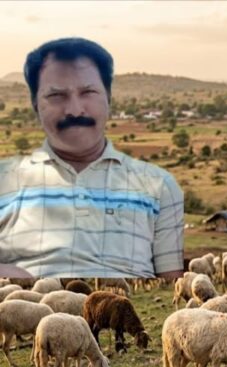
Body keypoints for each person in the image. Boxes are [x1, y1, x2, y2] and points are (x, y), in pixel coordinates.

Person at [0, 38, 184, 280]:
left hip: (127, 314)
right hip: (23, 311)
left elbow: (173, 289)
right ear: (35, 104)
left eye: (88, 92)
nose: (75, 110)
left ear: (108, 97)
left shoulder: (159, 186)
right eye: (56, 95)